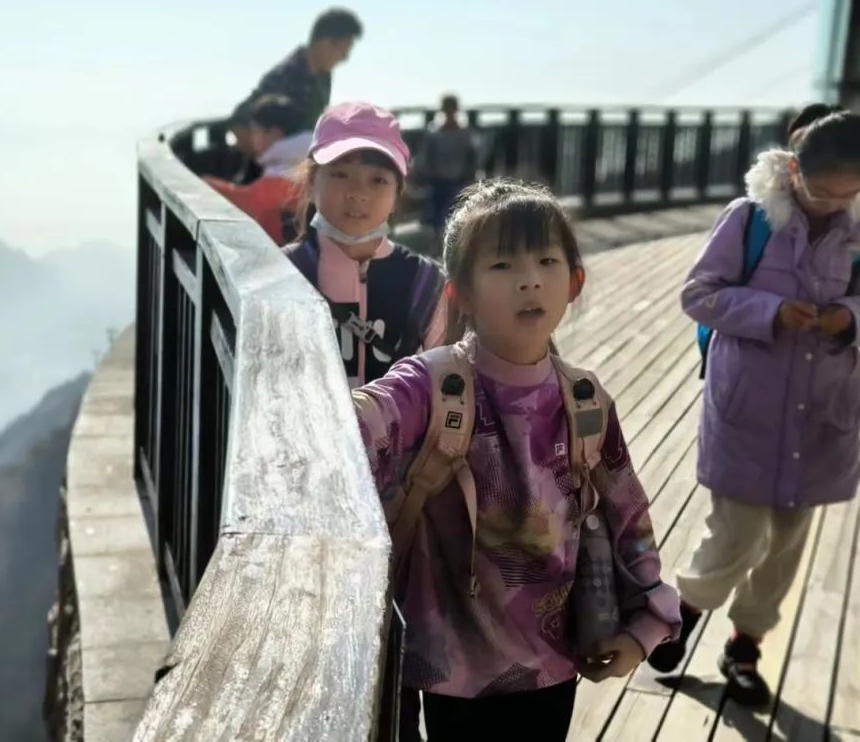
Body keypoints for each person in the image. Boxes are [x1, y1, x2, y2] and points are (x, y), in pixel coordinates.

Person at [352, 179, 681, 741]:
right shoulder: (431, 384)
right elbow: (360, 421)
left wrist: (646, 626)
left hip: (554, 663)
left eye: (547, 260)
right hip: (452, 669)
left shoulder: (585, 400)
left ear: (574, 283)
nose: (530, 279)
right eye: (503, 264)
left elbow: (629, 515)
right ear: (461, 293)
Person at [648, 111, 860, 707]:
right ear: (794, 171)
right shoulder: (750, 219)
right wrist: (770, 311)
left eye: (847, 194)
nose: (832, 205)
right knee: (735, 533)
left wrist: (848, 317)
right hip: (751, 408)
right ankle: (685, 614)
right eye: (822, 191)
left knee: (786, 545)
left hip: (823, 415)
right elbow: (699, 294)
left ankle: (744, 647)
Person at [283, 101, 446, 387]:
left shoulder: (427, 283)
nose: (358, 193)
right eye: (340, 174)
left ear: (398, 193)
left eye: (378, 180)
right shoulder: (282, 274)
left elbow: (445, 382)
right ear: (311, 183)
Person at [229, 7, 364, 150]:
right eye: (344, 49)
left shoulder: (322, 76)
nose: (344, 58)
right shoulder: (286, 75)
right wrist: (266, 157)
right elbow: (239, 120)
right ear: (327, 43)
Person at [204, 95, 311, 245]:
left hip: (284, 254)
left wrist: (205, 185)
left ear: (274, 132)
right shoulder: (303, 157)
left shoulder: (286, 171)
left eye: (255, 131)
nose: (252, 137)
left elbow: (249, 202)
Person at [413, 94, 478, 235]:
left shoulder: (465, 133)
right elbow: (425, 158)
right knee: (436, 220)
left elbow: (472, 158)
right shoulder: (434, 132)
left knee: (458, 217)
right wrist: (425, 174)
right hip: (438, 181)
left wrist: (471, 177)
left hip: (459, 181)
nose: (449, 112)